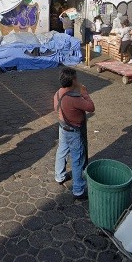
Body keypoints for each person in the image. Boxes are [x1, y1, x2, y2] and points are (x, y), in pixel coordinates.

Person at [53, 67, 94, 200]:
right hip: (73, 132)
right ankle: (78, 190)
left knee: (62, 151)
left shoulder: (58, 93)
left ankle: (60, 176)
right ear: (73, 81)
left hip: (62, 127)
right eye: (76, 78)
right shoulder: (74, 98)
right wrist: (84, 93)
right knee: (77, 159)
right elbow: (91, 107)